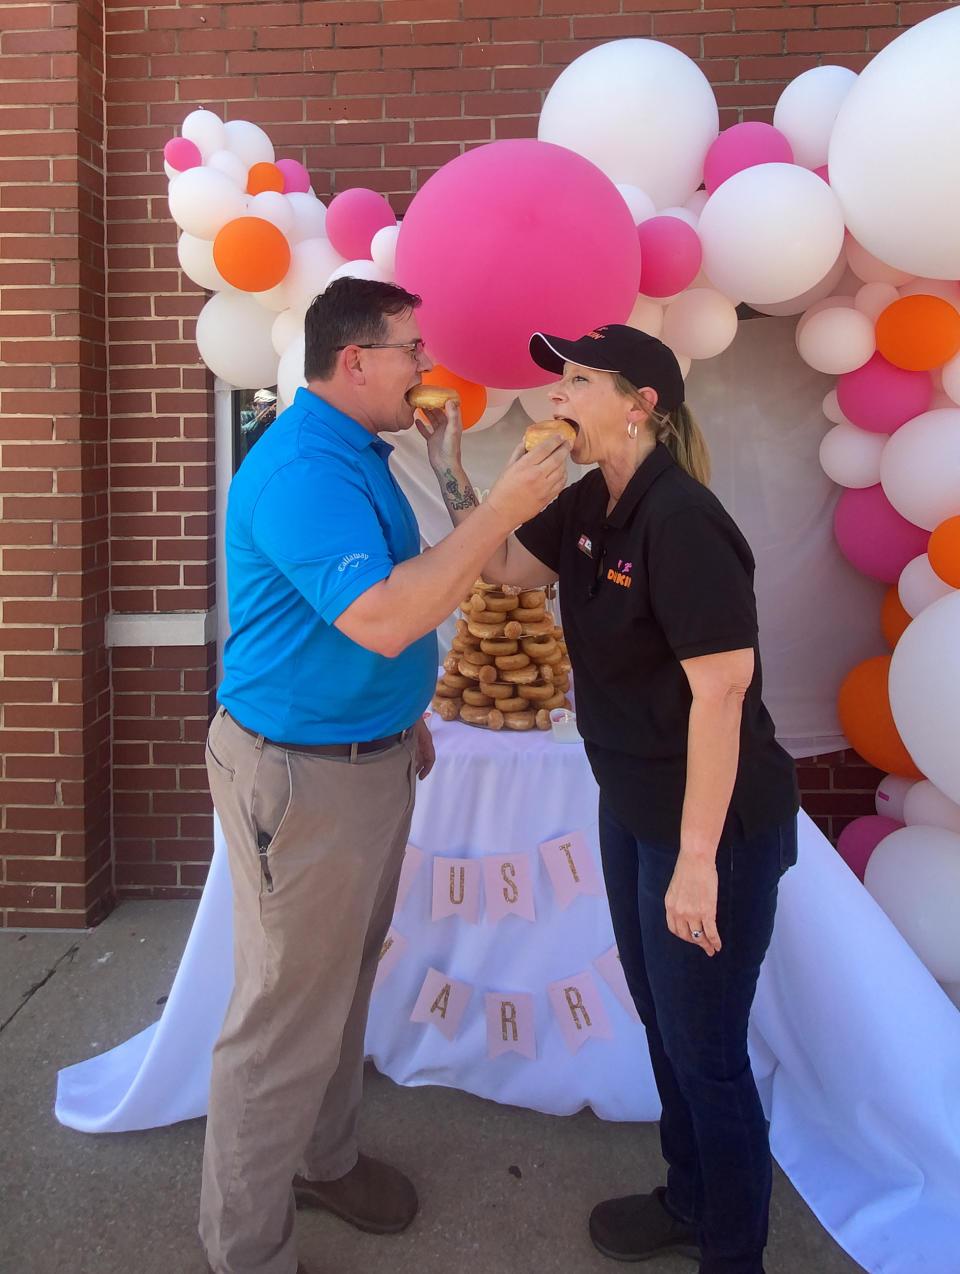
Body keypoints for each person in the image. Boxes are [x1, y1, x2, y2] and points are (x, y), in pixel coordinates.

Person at [200, 276, 569, 1274]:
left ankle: (321, 1159)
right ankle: (246, 1248)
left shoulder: (367, 448)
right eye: (411, 348)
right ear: (355, 359)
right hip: (301, 776)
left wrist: (401, 714)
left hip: (362, 756)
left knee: (340, 981)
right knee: (282, 1017)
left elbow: (407, 594)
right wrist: (499, 508)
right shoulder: (302, 470)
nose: (425, 366)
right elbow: (388, 616)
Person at [418, 323, 799, 1274]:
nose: (556, 395)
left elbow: (721, 691)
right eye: (559, 377)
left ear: (643, 407)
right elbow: (507, 568)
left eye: (580, 380)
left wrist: (699, 864)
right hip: (631, 806)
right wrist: (453, 467)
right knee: (664, 1023)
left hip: (712, 826)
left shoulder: (683, 522)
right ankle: (688, 1195)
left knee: (708, 1051)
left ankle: (733, 1252)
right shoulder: (592, 500)